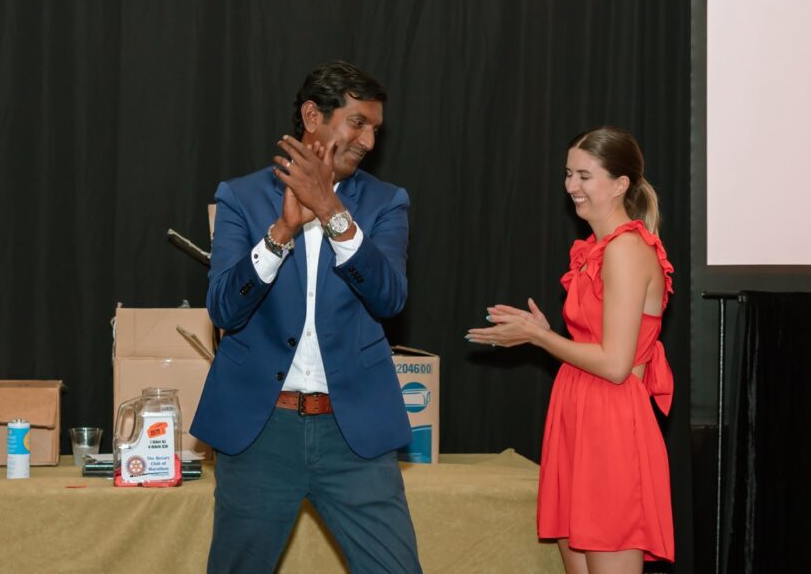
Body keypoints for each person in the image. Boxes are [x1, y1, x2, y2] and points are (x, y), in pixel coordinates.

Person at [191, 61, 422, 574]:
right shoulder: (241, 197)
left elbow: (389, 298)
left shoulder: (386, 203)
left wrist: (332, 212)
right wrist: (279, 235)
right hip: (260, 430)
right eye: (357, 122)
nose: (368, 140)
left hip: (354, 433)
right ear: (313, 115)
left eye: (375, 130)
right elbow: (224, 308)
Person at [467, 126, 675, 573]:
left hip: (613, 426)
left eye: (584, 175)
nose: (571, 187)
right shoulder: (597, 249)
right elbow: (596, 347)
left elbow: (616, 365)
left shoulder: (625, 250)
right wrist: (547, 332)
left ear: (621, 185)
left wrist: (538, 337)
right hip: (579, 415)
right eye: (568, 174)